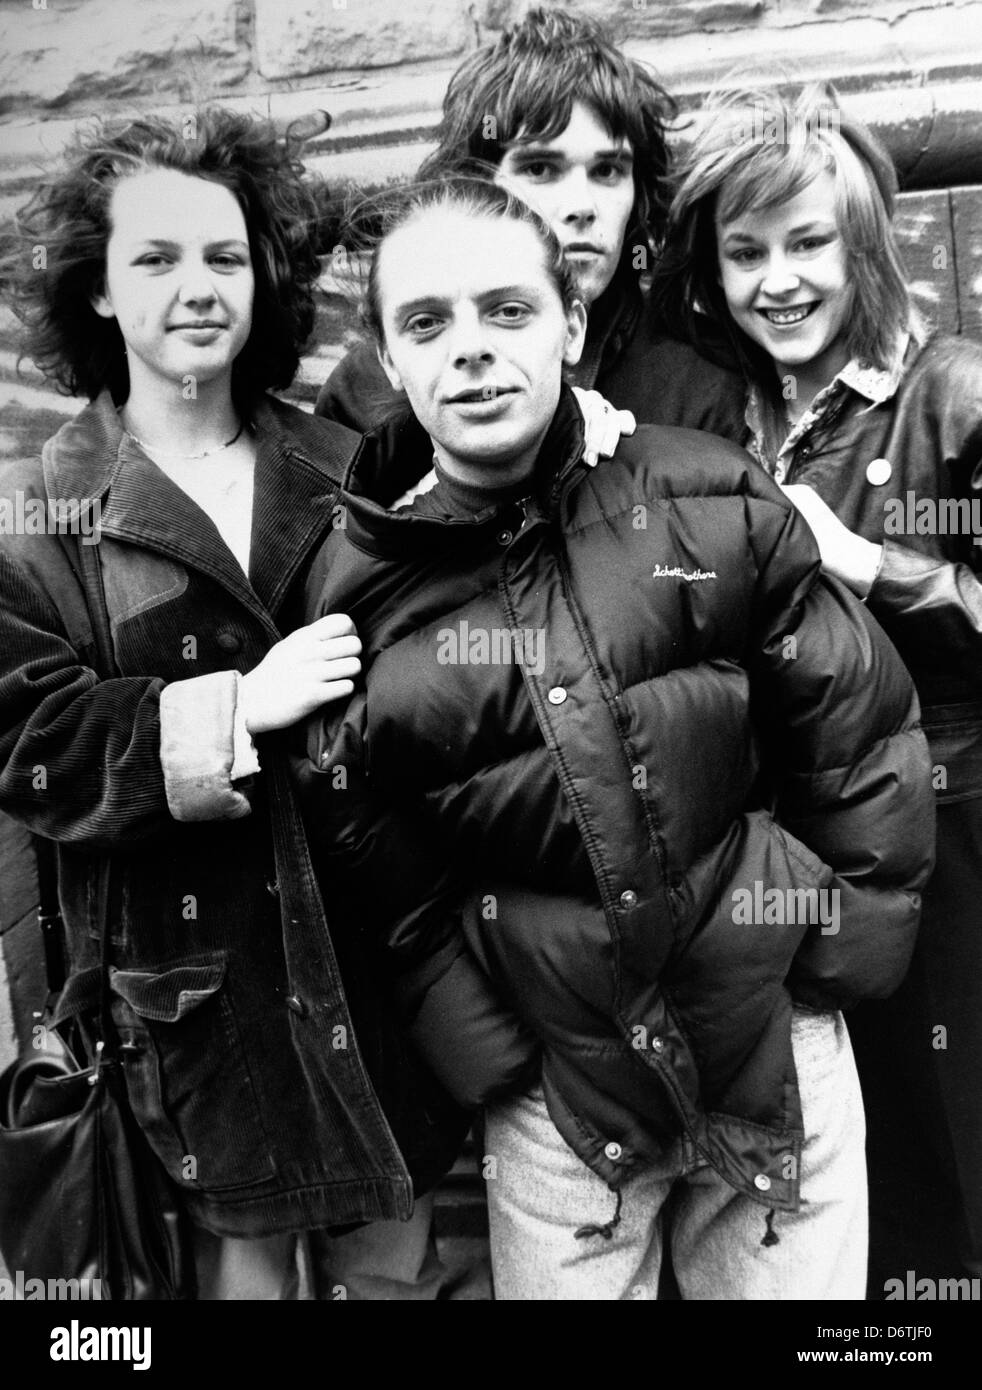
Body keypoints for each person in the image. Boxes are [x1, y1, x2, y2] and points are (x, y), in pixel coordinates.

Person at [295, 177, 935, 1300]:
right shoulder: (357, 597)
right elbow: (369, 849)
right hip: (561, 1103)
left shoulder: (706, 494)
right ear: (390, 364)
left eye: (508, 309)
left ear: (572, 324)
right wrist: (493, 1058)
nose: (474, 352)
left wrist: (831, 965)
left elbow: (856, 727)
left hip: (771, 1052)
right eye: (427, 323)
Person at [0, 108, 470, 1299]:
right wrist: (233, 708)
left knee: (396, 1271)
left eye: (223, 255)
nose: (196, 287)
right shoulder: (44, 519)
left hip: (374, 970)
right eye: (154, 259)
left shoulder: (351, 467)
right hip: (197, 1003)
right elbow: (35, 746)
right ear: (97, 294)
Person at [654, 82, 982, 1290]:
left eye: (808, 245)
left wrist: (872, 564)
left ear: (864, 245)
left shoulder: (951, 392)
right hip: (786, 864)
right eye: (745, 252)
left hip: (947, 844)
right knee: (830, 1204)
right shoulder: (714, 411)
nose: (778, 280)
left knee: (946, 1178)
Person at [315, 6, 746, 441]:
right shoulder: (369, 387)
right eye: (540, 169)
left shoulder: (700, 380)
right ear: (477, 182)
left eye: (608, 171)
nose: (582, 206)